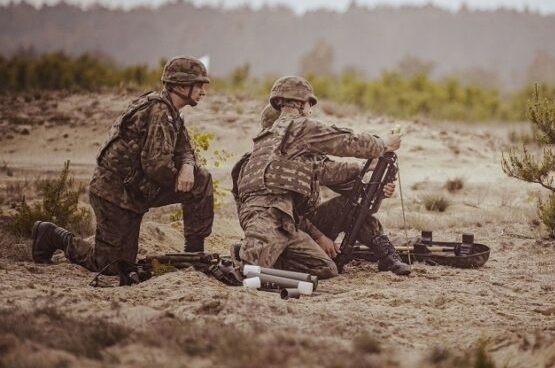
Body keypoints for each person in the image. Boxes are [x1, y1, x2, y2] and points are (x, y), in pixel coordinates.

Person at [31, 56, 215, 274]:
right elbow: (156, 166)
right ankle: (52, 235)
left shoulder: (171, 112)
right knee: (111, 266)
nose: (203, 91)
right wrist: (180, 175)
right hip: (114, 195)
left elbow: (185, 148)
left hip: (134, 191)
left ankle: (193, 255)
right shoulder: (158, 111)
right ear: (182, 85)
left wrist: (187, 167)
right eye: (199, 85)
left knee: (200, 179)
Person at [234, 76, 411, 278]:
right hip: (279, 219)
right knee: (250, 273)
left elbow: (327, 172)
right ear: (302, 103)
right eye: (310, 104)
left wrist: (374, 182)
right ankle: (270, 257)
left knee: (327, 267)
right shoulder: (297, 128)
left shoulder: (280, 149)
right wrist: (383, 145)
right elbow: (345, 141)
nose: (311, 111)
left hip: (287, 220)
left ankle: (386, 254)